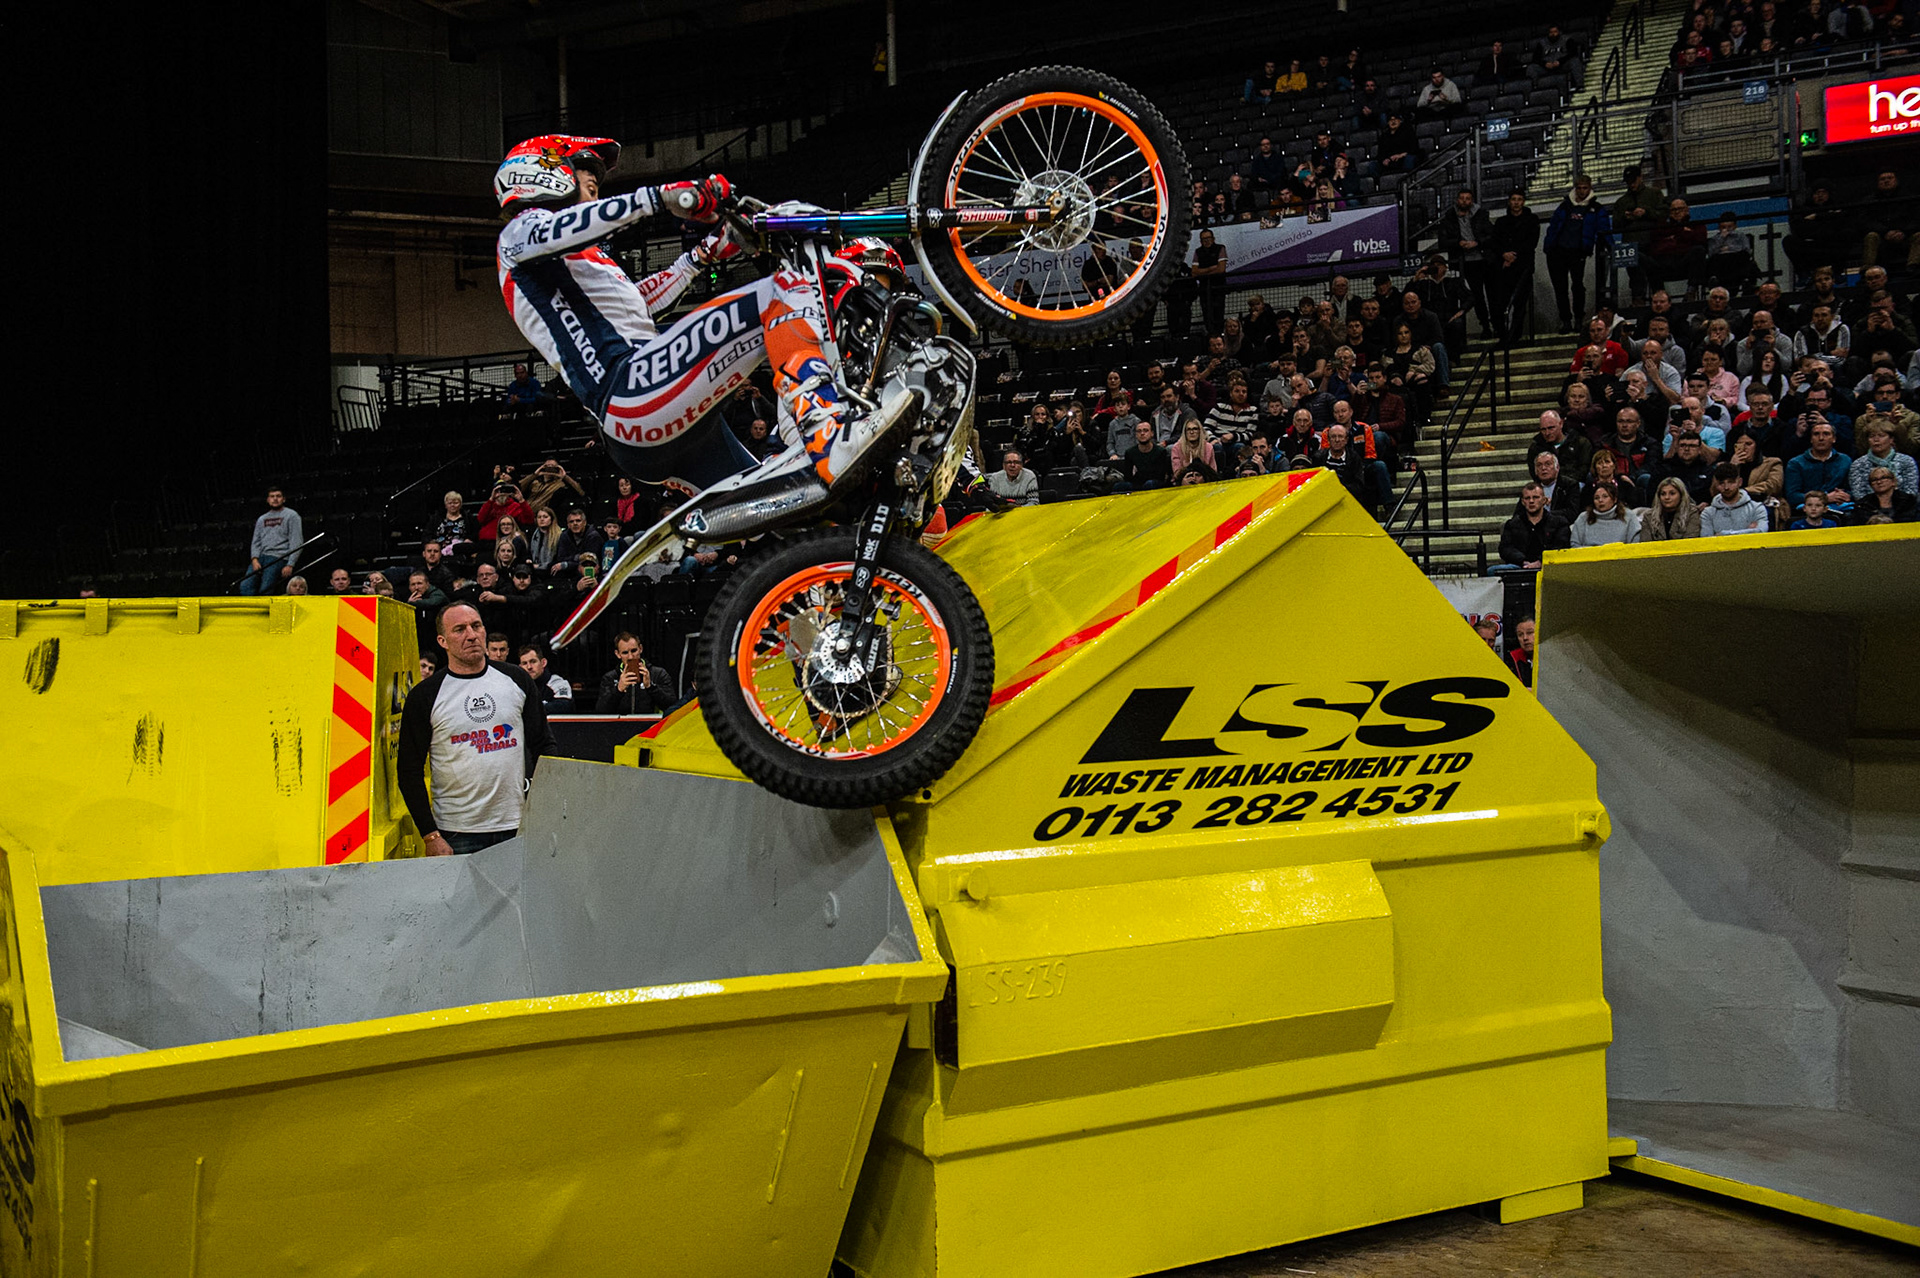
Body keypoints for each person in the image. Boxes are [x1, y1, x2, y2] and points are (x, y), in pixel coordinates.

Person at [492, 138, 897, 579]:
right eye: (584, 168)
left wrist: (705, 254)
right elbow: (565, 228)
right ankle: (826, 426)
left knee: (795, 508)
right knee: (784, 289)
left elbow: (639, 305)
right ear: (541, 171)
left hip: (656, 419)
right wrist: (662, 197)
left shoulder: (577, 261)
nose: (594, 182)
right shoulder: (519, 235)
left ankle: (834, 592)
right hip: (633, 392)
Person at [397, 603, 557, 857]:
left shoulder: (517, 679)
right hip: (455, 832)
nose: (471, 635)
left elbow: (544, 745)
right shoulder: (425, 695)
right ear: (442, 641)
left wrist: (544, 808)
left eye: (476, 626)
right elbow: (409, 770)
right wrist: (430, 835)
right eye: (459, 629)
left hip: (516, 826)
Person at [1544, 175, 1612, 333]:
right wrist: (1549, 246)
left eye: (1585, 188)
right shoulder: (1564, 206)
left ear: (1590, 188)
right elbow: (1553, 227)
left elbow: (1604, 230)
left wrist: (1611, 247)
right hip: (1558, 251)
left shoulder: (1596, 208)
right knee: (1560, 288)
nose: (1582, 191)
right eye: (1579, 188)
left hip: (1578, 252)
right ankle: (1566, 321)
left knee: (1578, 287)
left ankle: (1579, 320)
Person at [1488, 190, 1541, 342]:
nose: (1516, 202)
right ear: (1509, 201)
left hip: (1523, 267)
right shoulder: (1501, 222)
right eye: (1513, 199)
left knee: (1520, 304)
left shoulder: (1532, 220)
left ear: (1523, 202)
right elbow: (1495, 242)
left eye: (1519, 199)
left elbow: (1531, 243)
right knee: (1500, 303)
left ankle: (1515, 336)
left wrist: (1513, 256)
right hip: (1504, 268)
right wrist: (1504, 255)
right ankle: (1503, 335)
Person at [1611, 167, 1666, 305]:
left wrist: (1646, 212)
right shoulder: (1621, 202)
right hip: (1632, 244)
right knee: (1635, 274)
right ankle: (1639, 299)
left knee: (1655, 272)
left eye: (1633, 181)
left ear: (1640, 177)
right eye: (1628, 182)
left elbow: (1664, 214)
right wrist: (1625, 217)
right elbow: (1615, 225)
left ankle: (1658, 298)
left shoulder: (1654, 194)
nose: (1631, 184)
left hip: (1652, 241)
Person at [240, 486, 303, 596]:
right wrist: (254, 559)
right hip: (261, 557)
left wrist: (290, 564)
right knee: (245, 585)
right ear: (268, 500)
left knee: (266, 588)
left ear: (284, 499)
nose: (275, 499)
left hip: (279, 557)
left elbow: (296, 541)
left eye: (278, 496)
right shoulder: (262, 519)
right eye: (272, 496)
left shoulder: (292, 515)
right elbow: (256, 541)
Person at [594, 631, 674, 714]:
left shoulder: (658, 674)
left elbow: (672, 706)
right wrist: (618, 689)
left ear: (640, 649)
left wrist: (650, 687)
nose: (630, 657)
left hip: (650, 722)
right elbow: (601, 711)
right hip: (621, 722)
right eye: (625, 653)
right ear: (617, 654)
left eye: (634, 651)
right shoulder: (610, 677)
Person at [1498, 482, 1571, 569]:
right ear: (1523, 502)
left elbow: (1560, 547)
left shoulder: (1559, 523)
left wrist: (1540, 561)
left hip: (1550, 565)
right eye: (1527, 498)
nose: (1531, 501)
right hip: (1519, 566)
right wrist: (1523, 561)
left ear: (1544, 500)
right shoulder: (1512, 524)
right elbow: (1505, 548)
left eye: (1535, 497)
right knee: (1492, 570)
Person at [1784, 420, 1852, 512]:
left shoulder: (1845, 460)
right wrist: (1825, 498)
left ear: (1834, 439)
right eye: (1816, 434)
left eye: (1826, 434)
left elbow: (1852, 491)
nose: (1821, 438)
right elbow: (1792, 496)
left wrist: (1845, 496)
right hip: (1806, 511)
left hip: (1839, 508)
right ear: (1811, 439)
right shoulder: (1796, 463)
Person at [1849, 421, 1919, 499]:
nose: (1876, 439)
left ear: (1891, 439)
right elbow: (1858, 494)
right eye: (1872, 436)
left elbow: (1911, 491)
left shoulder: (1907, 461)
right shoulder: (1858, 464)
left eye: (1881, 436)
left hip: (1903, 504)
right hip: (1869, 505)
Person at [1699, 463, 1770, 535]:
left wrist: (1721, 534)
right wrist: (1749, 531)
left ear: (1740, 482)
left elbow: (1761, 532)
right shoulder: (1708, 514)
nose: (1726, 487)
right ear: (1716, 485)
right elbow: (1707, 539)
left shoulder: (1756, 508)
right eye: (1721, 483)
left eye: (1731, 482)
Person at [1569, 481, 1639, 546]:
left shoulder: (1628, 516)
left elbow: (1635, 543)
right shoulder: (1584, 517)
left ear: (1614, 499)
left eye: (1605, 496)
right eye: (1596, 498)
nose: (1600, 500)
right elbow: (1575, 544)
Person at [1637, 477, 1701, 541]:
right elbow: (1645, 543)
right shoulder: (1649, 516)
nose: (1667, 497)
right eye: (1663, 494)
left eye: (1672, 493)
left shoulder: (1691, 513)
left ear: (1681, 495)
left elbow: (1690, 542)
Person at [1851, 466, 1920, 522]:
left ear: (1893, 482)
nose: (1879, 482)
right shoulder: (1863, 504)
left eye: (1883, 478)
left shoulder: (1908, 500)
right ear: (1871, 485)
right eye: (1874, 480)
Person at [1119, 419, 1173, 490]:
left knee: (1150, 484)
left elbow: (1160, 476)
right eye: (1139, 431)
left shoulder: (1160, 452)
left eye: (1145, 430)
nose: (1142, 433)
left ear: (1152, 433)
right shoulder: (1130, 453)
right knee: (1119, 486)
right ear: (1136, 435)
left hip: (1155, 484)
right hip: (1137, 484)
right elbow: (1128, 477)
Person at [517, 644, 573, 712]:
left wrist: (532, 708)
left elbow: (564, 705)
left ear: (543, 663)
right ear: (520, 667)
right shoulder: (516, 686)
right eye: (524, 663)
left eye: (533, 661)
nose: (529, 667)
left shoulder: (557, 682)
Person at [1193, 230, 1228, 334]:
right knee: (1207, 315)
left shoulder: (1221, 248)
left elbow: (1221, 269)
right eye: (1204, 239)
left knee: (1218, 314)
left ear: (1213, 239)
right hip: (1204, 290)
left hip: (1218, 289)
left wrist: (1202, 272)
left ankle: (1219, 335)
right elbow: (1194, 272)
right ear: (1200, 241)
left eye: (1208, 238)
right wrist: (1211, 269)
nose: (1207, 241)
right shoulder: (1198, 252)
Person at [1503, 617, 1536, 688]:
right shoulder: (1512, 659)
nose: (1525, 638)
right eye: (1520, 634)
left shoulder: (1553, 656)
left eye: (1530, 633)